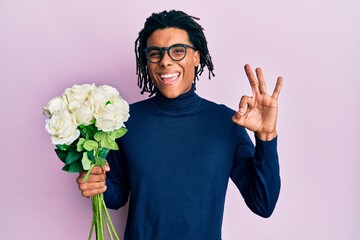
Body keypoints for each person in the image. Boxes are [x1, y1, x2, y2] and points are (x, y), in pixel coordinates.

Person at [77, 10, 283, 240]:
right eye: (155, 53)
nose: (165, 61)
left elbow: (263, 204)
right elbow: (117, 197)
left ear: (196, 57)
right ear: (147, 61)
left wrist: (266, 137)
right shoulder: (124, 120)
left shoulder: (227, 123)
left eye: (177, 51)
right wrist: (98, 186)